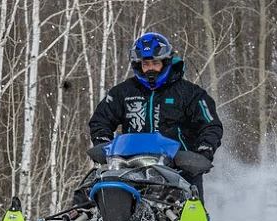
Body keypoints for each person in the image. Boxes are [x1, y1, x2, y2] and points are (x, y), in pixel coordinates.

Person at [88, 32, 223, 204]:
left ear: (165, 62)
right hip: (130, 171)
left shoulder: (190, 93)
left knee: (193, 217)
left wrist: (204, 151)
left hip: (179, 171)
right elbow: (101, 119)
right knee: (96, 195)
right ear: (138, 65)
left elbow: (210, 125)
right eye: (146, 64)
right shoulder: (122, 92)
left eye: (155, 63)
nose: (150, 68)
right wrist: (103, 143)